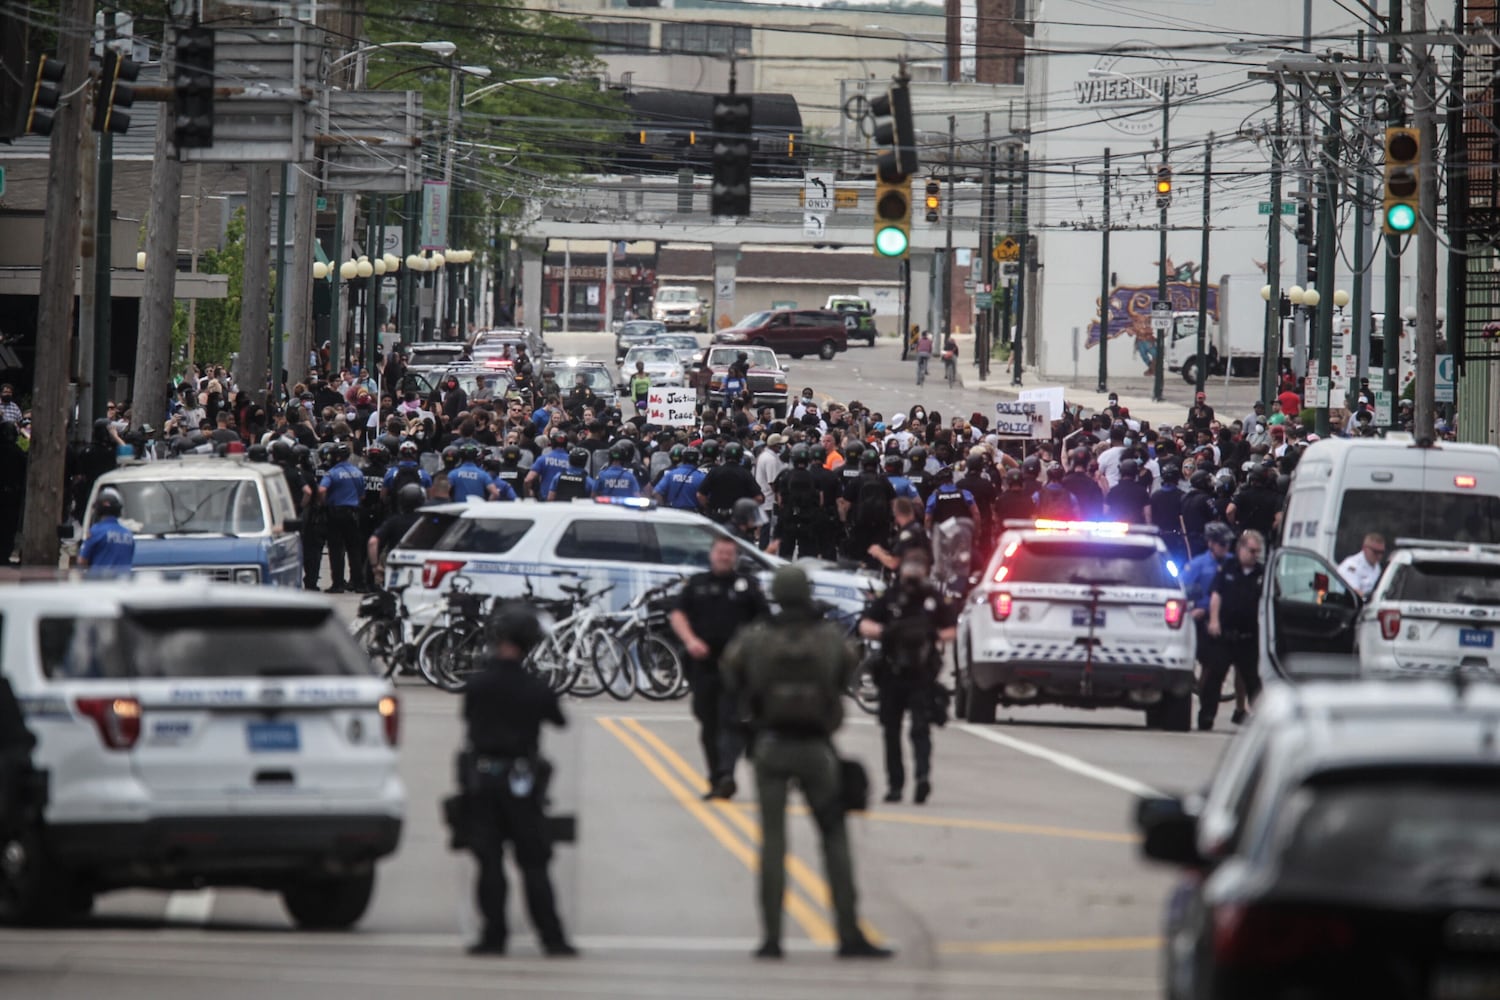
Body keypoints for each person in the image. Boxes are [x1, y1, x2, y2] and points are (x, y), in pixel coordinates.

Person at [720, 565, 893, 961]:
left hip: (771, 743)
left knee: (773, 844)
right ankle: (848, 933)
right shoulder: (828, 639)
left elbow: (731, 673)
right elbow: (846, 673)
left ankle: (772, 938)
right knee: (834, 839)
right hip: (816, 747)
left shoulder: (756, 639)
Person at [459, 604, 577, 957]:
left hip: (482, 779)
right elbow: (559, 721)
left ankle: (493, 935)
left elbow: (468, 719)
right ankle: (551, 937)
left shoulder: (478, 684)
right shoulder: (536, 688)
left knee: (489, 862)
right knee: (534, 863)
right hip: (522, 782)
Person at [670, 535, 768, 799]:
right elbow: (677, 614)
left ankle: (726, 774)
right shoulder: (697, 584)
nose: (724, 556)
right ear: (712, 554)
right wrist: (690, 640)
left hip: (735, 667)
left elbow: (765, 622)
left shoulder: (747, 586)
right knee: (707, 722)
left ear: (735, 557)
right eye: (720, 552)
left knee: (730, 720)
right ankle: (715, 777)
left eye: (729, 553)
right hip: (703, 666)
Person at [859, 556, 956, 804]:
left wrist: (933, 635)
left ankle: (922, 777)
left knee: (920, 728)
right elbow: (866, 624)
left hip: (921, 673)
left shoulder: (932, 598)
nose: (912, 575)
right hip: (892, 673)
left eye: (917, 569)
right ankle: (895, 785)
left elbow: (953, 628)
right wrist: (886, 632)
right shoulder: (891, 597)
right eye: (909, 570)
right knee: (891, 731)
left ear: (925, 572)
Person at [1203, 530, 1267, 731]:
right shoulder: (1228, 568)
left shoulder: (1262, 573)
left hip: (1248, 637)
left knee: (1253, 682)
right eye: (1251, 550)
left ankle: (1265, 723)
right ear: (1240, 549)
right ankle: (1206, 718)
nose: (1254, 555)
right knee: (1214, 678)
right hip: (1225, 634)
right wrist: (1214, 620)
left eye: (1257, 551)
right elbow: (1216, 595)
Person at [318, 441, 368, 593]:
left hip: (335, 513)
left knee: (336, 549)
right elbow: (362, 495)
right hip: (353, 513)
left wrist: (324, 503)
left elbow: (321, 490)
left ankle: (338, 584)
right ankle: (357, 583)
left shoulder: (332, 473)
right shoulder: (357, 472)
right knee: (354, 549)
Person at [78, 487, 134, 577]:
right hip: (123, 586)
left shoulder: (95, 532)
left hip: (101, 586)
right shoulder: (128, 535)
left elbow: (82, 561)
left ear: (98, 510)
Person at [867, 497, 931, 573]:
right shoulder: (918, 528)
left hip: (908, 581)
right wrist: (883, 552)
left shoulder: (908, 533)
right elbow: (901, 554)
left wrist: (878, 553)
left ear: (896, 514)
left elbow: (893, 563)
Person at [1337, 532, 1387, 597]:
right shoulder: (1351, 566)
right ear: (1364, 548)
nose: (1379, 556)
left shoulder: (1377, 567)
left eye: (1381, 552)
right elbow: (1355, 593)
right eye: (1375, 552)